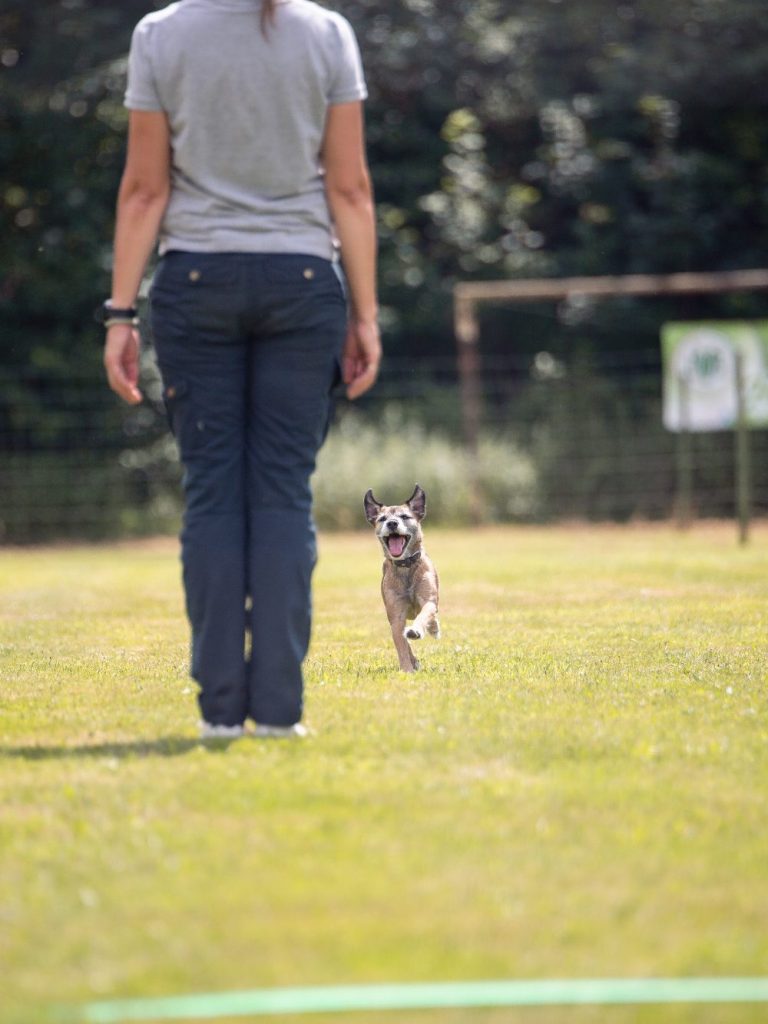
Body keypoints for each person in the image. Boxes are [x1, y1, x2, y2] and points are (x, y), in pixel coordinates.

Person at [103, 0, 380, 740]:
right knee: (283, 494)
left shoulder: (161, 35)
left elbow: (145, 190)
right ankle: (280, 714)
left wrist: (120, 315)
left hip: (195, 283)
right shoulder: (326, 34)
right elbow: (350, 190)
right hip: (302, 280)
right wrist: (364, 314)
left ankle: (221, 712)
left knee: (214, 494)